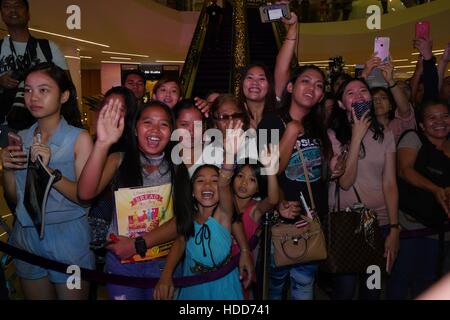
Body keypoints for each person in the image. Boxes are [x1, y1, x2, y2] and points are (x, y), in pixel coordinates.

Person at [77, 100, 191, 300]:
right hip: (123, 263)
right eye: (148, 122)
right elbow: (85, 193)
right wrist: (102, 144)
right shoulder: (118, 160)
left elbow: (182, 221)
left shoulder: (178, 166)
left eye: (163, 124)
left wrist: (138, 244)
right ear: (136, 128)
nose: (155, 130)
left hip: (162, 262)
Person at [1, 62, 94, 300]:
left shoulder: (79, 139)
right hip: (25, 235)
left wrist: (48, 170)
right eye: (29, 90)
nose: (34, 97)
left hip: (67, 237)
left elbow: (84, 198)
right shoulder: (20, 138)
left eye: (44, 90)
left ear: (63, 96)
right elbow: (14, 198)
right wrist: (8, 170)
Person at [258, 65, 331, 300]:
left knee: (304, 291)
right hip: (279, 227)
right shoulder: (269, 122)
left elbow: (319, 177)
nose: (312, 88)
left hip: (310, 225)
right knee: (274, 291)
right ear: (290, 87)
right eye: (306, 81)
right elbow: (267, 170)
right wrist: (290, 132)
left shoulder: (318, 127)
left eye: (319, 86)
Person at [154, 121, 245, 300]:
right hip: (193, 286)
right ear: (192, 192)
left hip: (223, 286)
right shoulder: (189, 218)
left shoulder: (223, 215)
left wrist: (229, 157)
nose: (208, 184)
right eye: (200, 180)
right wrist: (166, 275)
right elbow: (179, 243)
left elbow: (225, 183)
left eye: (214, 180)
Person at [327, 78, 399, 300]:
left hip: (378, 226)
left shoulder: (386, 134)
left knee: (372, 289)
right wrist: (357, 135)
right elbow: (346, 182)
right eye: (350, 93)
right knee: (345, 291)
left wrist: (395, 228)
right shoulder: (332, 135)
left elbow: (390, 183)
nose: (359, 96)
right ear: (341, 104)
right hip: (346, 225)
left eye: (363, 91)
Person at [388, 100, 449, 299]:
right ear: (422, 124)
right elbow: (404, 170)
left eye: (445, 116)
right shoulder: (413, 138)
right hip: (413, 228)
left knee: (433, 284)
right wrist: (435, 189)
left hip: (444, 231)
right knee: (403, 282)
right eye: (432, 118)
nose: (440, 122)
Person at [0, 0, 68, 137]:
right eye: (6, 6)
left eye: (18, 6)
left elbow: (66, 85)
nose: (12, 10)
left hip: (44, 127)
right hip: (5, 127)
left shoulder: (48, 48)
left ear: (28, 14)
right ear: (1, 14)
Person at [230, 150, 280, 298]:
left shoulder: (254, 210)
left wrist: (270, 171)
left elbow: (272, 200)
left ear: (258, 187)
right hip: (219, 270)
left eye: (252, 180)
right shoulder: (223, 204)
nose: (244, 183)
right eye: (240, 176)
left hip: (242, 270)